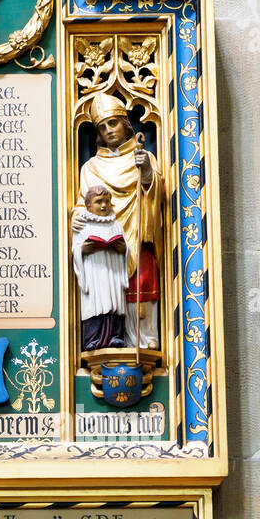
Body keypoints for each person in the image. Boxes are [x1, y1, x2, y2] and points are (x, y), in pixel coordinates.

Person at [73, 91, 162, 351]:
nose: (109, 130)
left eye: (113, 123)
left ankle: (142, 344)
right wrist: (77, 218)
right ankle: (107, 341)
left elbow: (155, 197)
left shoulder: (143, 158)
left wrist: (146, 171)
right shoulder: (90, 167)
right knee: (104, 295)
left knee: (141, 286)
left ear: (125, 124)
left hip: (134, 238)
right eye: (103, 126)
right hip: (103, 254)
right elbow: (81, 206)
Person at [71, 184, 128, 351]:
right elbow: (75, 248)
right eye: (98, 202)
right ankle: (94, 338)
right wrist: (82, 250)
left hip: (113, 271)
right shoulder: (82, 224)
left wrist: (123, 250)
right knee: (96, 302)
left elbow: (126, 248)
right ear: (88, 205)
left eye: (107, 201)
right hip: (94, 272)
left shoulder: (115, 224)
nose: (103, 206)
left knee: (113, 301)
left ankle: (115, 337)